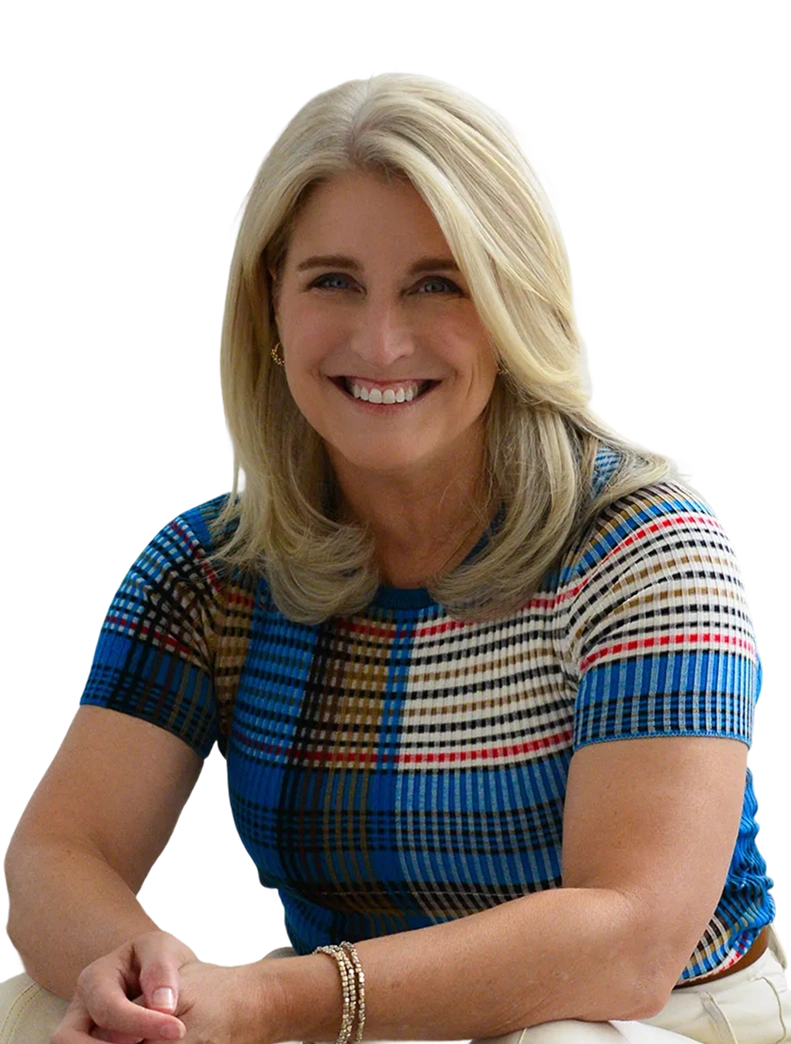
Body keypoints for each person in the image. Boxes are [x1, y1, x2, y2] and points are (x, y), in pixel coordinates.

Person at [2, 70, 788, 1044]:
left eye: (437, 284)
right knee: (40, 1009)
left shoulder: (645, 546)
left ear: (510, 301)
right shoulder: (208, 565)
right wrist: (148, 989)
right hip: (344, 1015)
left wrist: (270, 1005)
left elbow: (629, 942)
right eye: (332, 281)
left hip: (647, 1016)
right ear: (270, 305)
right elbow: (56, 854)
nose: (380, 343)